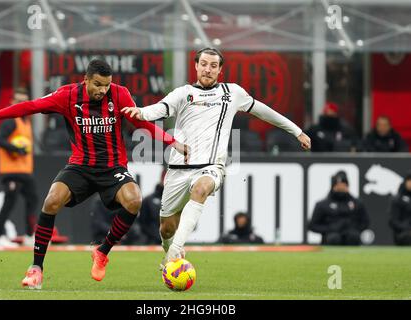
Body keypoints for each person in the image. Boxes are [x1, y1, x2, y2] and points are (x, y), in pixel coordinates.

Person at [0, 59, 188, 289]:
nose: (103, 91)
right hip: (80, 166)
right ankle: (36, 269)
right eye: (98, 85)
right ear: (86, 80)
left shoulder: (120, 94)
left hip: (113, 167)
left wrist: (172, 141)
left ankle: (102, 251)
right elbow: (30, 106)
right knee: (52, 200)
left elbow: (141, 123)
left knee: (134, 200)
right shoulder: (67, 96)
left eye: (106, 86)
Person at [122, 47, 311, 267]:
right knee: (166, 228)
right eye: (203, 64)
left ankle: (174, 252)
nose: (208, 69)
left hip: (211, 167)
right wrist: (142, 112)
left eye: (213, 66)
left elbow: (264, 111)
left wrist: (296, 130)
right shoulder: (183, 93)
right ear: (196, 66)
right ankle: (170, 247)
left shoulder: (232, 93)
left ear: (220, 70)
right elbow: (161, 108)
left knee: (201, 189)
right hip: (178, 169)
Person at [0, 88, 38, 248]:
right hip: (11, 170)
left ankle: (29, 236)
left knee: (33, 199)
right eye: (18, 100)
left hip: (25, 171)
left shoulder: (26, 121)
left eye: (24, 101)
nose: (21, 104)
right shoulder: (11, 120)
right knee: (9, 202)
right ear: (12, 102)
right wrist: (16, 149)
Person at [308, 171, 370, 245]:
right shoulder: (322, 205)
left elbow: (365, 222)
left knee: (353, 237)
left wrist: (354, 228)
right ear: (333, 187)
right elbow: (312, 225)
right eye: (338, 186)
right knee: (334, 238)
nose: (341, 189)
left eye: (343, 186)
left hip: (352, 238)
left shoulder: (357, 203)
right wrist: (330, 228)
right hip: (331, 238)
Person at [138, 168, 167, 245]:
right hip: (152, 240)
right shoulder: (148, 200)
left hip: (173, 241)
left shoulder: (177, 200)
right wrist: (157, 236)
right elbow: (142, 222)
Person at [389, 171, 411, 245]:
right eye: (410, 180)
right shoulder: (397, 200)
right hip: (403, 233)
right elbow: (393, 221)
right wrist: (407, 228)